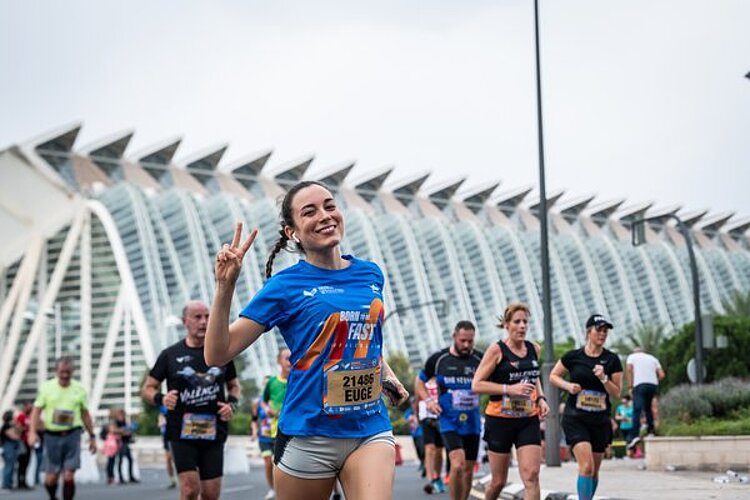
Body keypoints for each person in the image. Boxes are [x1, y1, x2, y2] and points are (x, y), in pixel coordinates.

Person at [204, 180, 409, 500]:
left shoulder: (370, 274)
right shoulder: (285, 286)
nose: (325, 215)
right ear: (292, 232)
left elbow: (363, 339)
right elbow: (217, 354)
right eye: (310, 212)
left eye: (330, 205)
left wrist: (388, 376)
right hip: (309, 435)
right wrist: (224, 286)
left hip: (369, 427)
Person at [141, 300, 241, 500]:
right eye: (198, 317)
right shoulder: (170, 355)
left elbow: (234, 386)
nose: (204, 322)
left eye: (207, 317)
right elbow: (147, 388)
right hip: (181, 432)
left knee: (211, 494)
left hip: (213, 433)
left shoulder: (221, 354)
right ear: (184, 321)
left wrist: (232, 404)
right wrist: (161, 398)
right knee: (189, 490)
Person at [472, 303, 550, 500]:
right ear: (506, 324)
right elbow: (477, 385)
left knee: (531, 476)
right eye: (517, 322)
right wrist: (509, 389)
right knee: (498, 481)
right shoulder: (497, 350)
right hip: (500, 420)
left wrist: (540, 398)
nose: (522, 326)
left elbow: (534, 376)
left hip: (528, 418)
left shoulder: (534, 349)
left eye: (525, 322)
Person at [550, 314, 623, 500]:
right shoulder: (573, 357)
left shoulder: (612, 360)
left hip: (600, 419)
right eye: (599, 330)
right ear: (588, 332)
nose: (603, 334)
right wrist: (568, 386)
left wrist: (604, 378)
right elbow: (553, 376)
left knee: (594, 471)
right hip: (576, 417)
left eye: (606, 331)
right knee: (587, 466)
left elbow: (616, 393)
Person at [415, 321, 483, 500]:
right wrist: (429, 401)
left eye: (470, 341)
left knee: (468, 470)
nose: (467, 345)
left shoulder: (480, 359)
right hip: (448, 421)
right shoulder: (439, 359)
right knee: (458, 464)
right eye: (463, 341)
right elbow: (419, 382)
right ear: (454, 337)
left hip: (472, 422)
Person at [28, 356, 98, 500]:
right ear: (56, 371)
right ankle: (53, 497)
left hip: (73, 434)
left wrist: (92, 436)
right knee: (51, 478)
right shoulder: (47, 387)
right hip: (51, 435)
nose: (65, 375)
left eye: (68, 372)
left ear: (72, 371)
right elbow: (36, 411)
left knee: (68, 474)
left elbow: (85, 415)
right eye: (62, 372)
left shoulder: (79, 389)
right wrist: (32, 432)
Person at [260, 348, 291, 499]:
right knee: (278, 467)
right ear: (279, 361)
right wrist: (267, 410)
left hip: (297, 430)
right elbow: (263, 401)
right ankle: (279, 492)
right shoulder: (272, 382)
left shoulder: (298, 379)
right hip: (276, 430)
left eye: (292, 357)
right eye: (286, 358)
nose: (289, 361)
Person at [626, 346, 665, 449]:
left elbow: (629, 370)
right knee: (648, 408)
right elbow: (661, 375)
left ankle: (634, 435)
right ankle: (651, 431)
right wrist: (653, 381)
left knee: (637, 409)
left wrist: (630, 386)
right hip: (652, 385)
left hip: (639, 385)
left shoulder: (632, 357)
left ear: (635, 352)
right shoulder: (653, 358)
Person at [415, 377, 446, 494]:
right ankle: (430, 479)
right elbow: (417, 400)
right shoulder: (421, 380)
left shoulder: (441, 378)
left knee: (439, 450)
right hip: (426, 418)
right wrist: (417, 417)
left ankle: (437, 476)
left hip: (440, 417)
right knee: (429, 448)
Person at [403, 398, 425, 478]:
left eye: (414, 403)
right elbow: (405, 419)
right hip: (414, 433)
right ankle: (422, 462)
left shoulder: (420, 410)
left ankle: (425, 464)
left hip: (421, 433)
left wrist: (417, 418)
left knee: (422, 448)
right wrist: (410, 419)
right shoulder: (409, 411)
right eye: (412, 403)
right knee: (418, 449)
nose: (413, 404)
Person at [15, 401, 33, 489]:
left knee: (26, 463)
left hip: (29, 442)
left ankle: (24, 481)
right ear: (25, 407)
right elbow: (17, 428)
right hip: (22, 443)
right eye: (29, 407)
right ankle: (20, 482)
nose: (31, 408)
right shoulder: (20, 416)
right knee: (21, 463)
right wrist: (26, 428)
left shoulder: (30, 417)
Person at [157, 405, 177, 488]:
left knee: (176, 459)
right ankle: (172, 479)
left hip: (175, 436)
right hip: (167, 437)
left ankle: (183, 477)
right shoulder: (162, 413)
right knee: (168, 459)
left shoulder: (177, 410)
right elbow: (160, 424)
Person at [2, 409, 21, 492]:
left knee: (12, 466)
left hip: (11, 447)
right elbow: (14, 436)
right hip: (8, 447)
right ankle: (6, 484)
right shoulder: (6, 426)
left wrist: (17, 426)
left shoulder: (11, 426)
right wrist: (17, 433)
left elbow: (19, 432)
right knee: (8, 466)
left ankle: (9, 483)